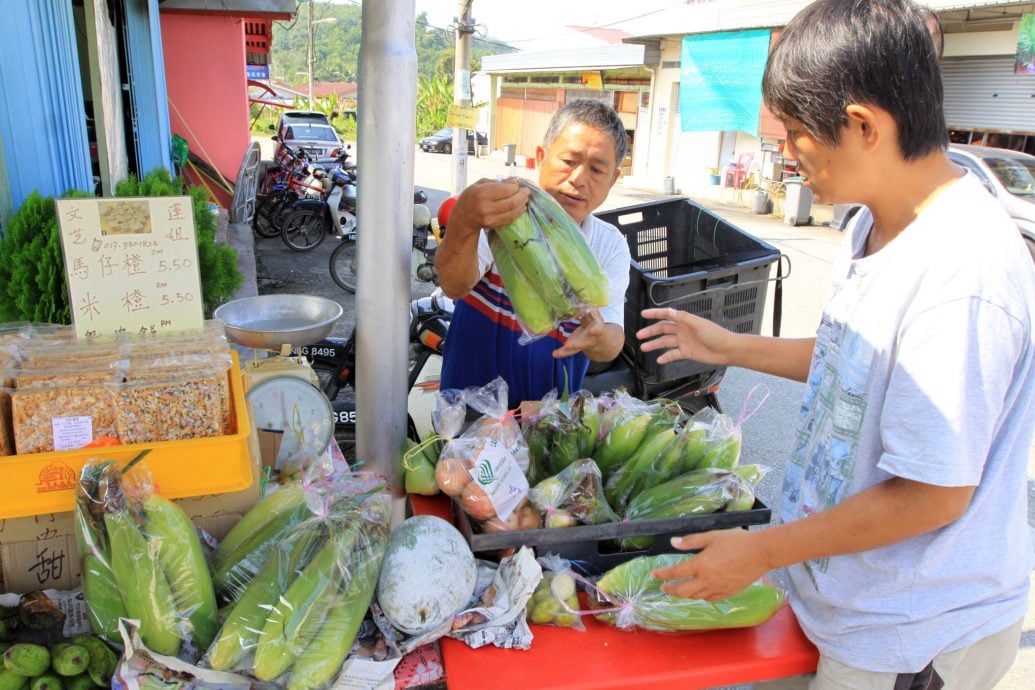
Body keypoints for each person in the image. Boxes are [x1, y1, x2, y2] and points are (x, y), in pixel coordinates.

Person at [637, 1, 1035, 688]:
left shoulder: (961, 273)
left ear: (861, 126)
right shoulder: (874, 225)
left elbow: (932, 495)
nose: (787, 158)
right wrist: (729, 346)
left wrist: (760, 550)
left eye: (794, 135)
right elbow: (851, 364)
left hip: (912, 632)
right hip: (844, 596)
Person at [435, 99, 630, 407]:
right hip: (469, 411)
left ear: (613, 180)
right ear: (541, 156)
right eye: (568, 161)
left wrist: (597, 335)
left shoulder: (609, 245)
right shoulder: (501, 211)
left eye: (596, 169)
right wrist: (465, 221)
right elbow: (454, 285)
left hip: (546, 420)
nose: (579, 179)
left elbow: (611, 343)